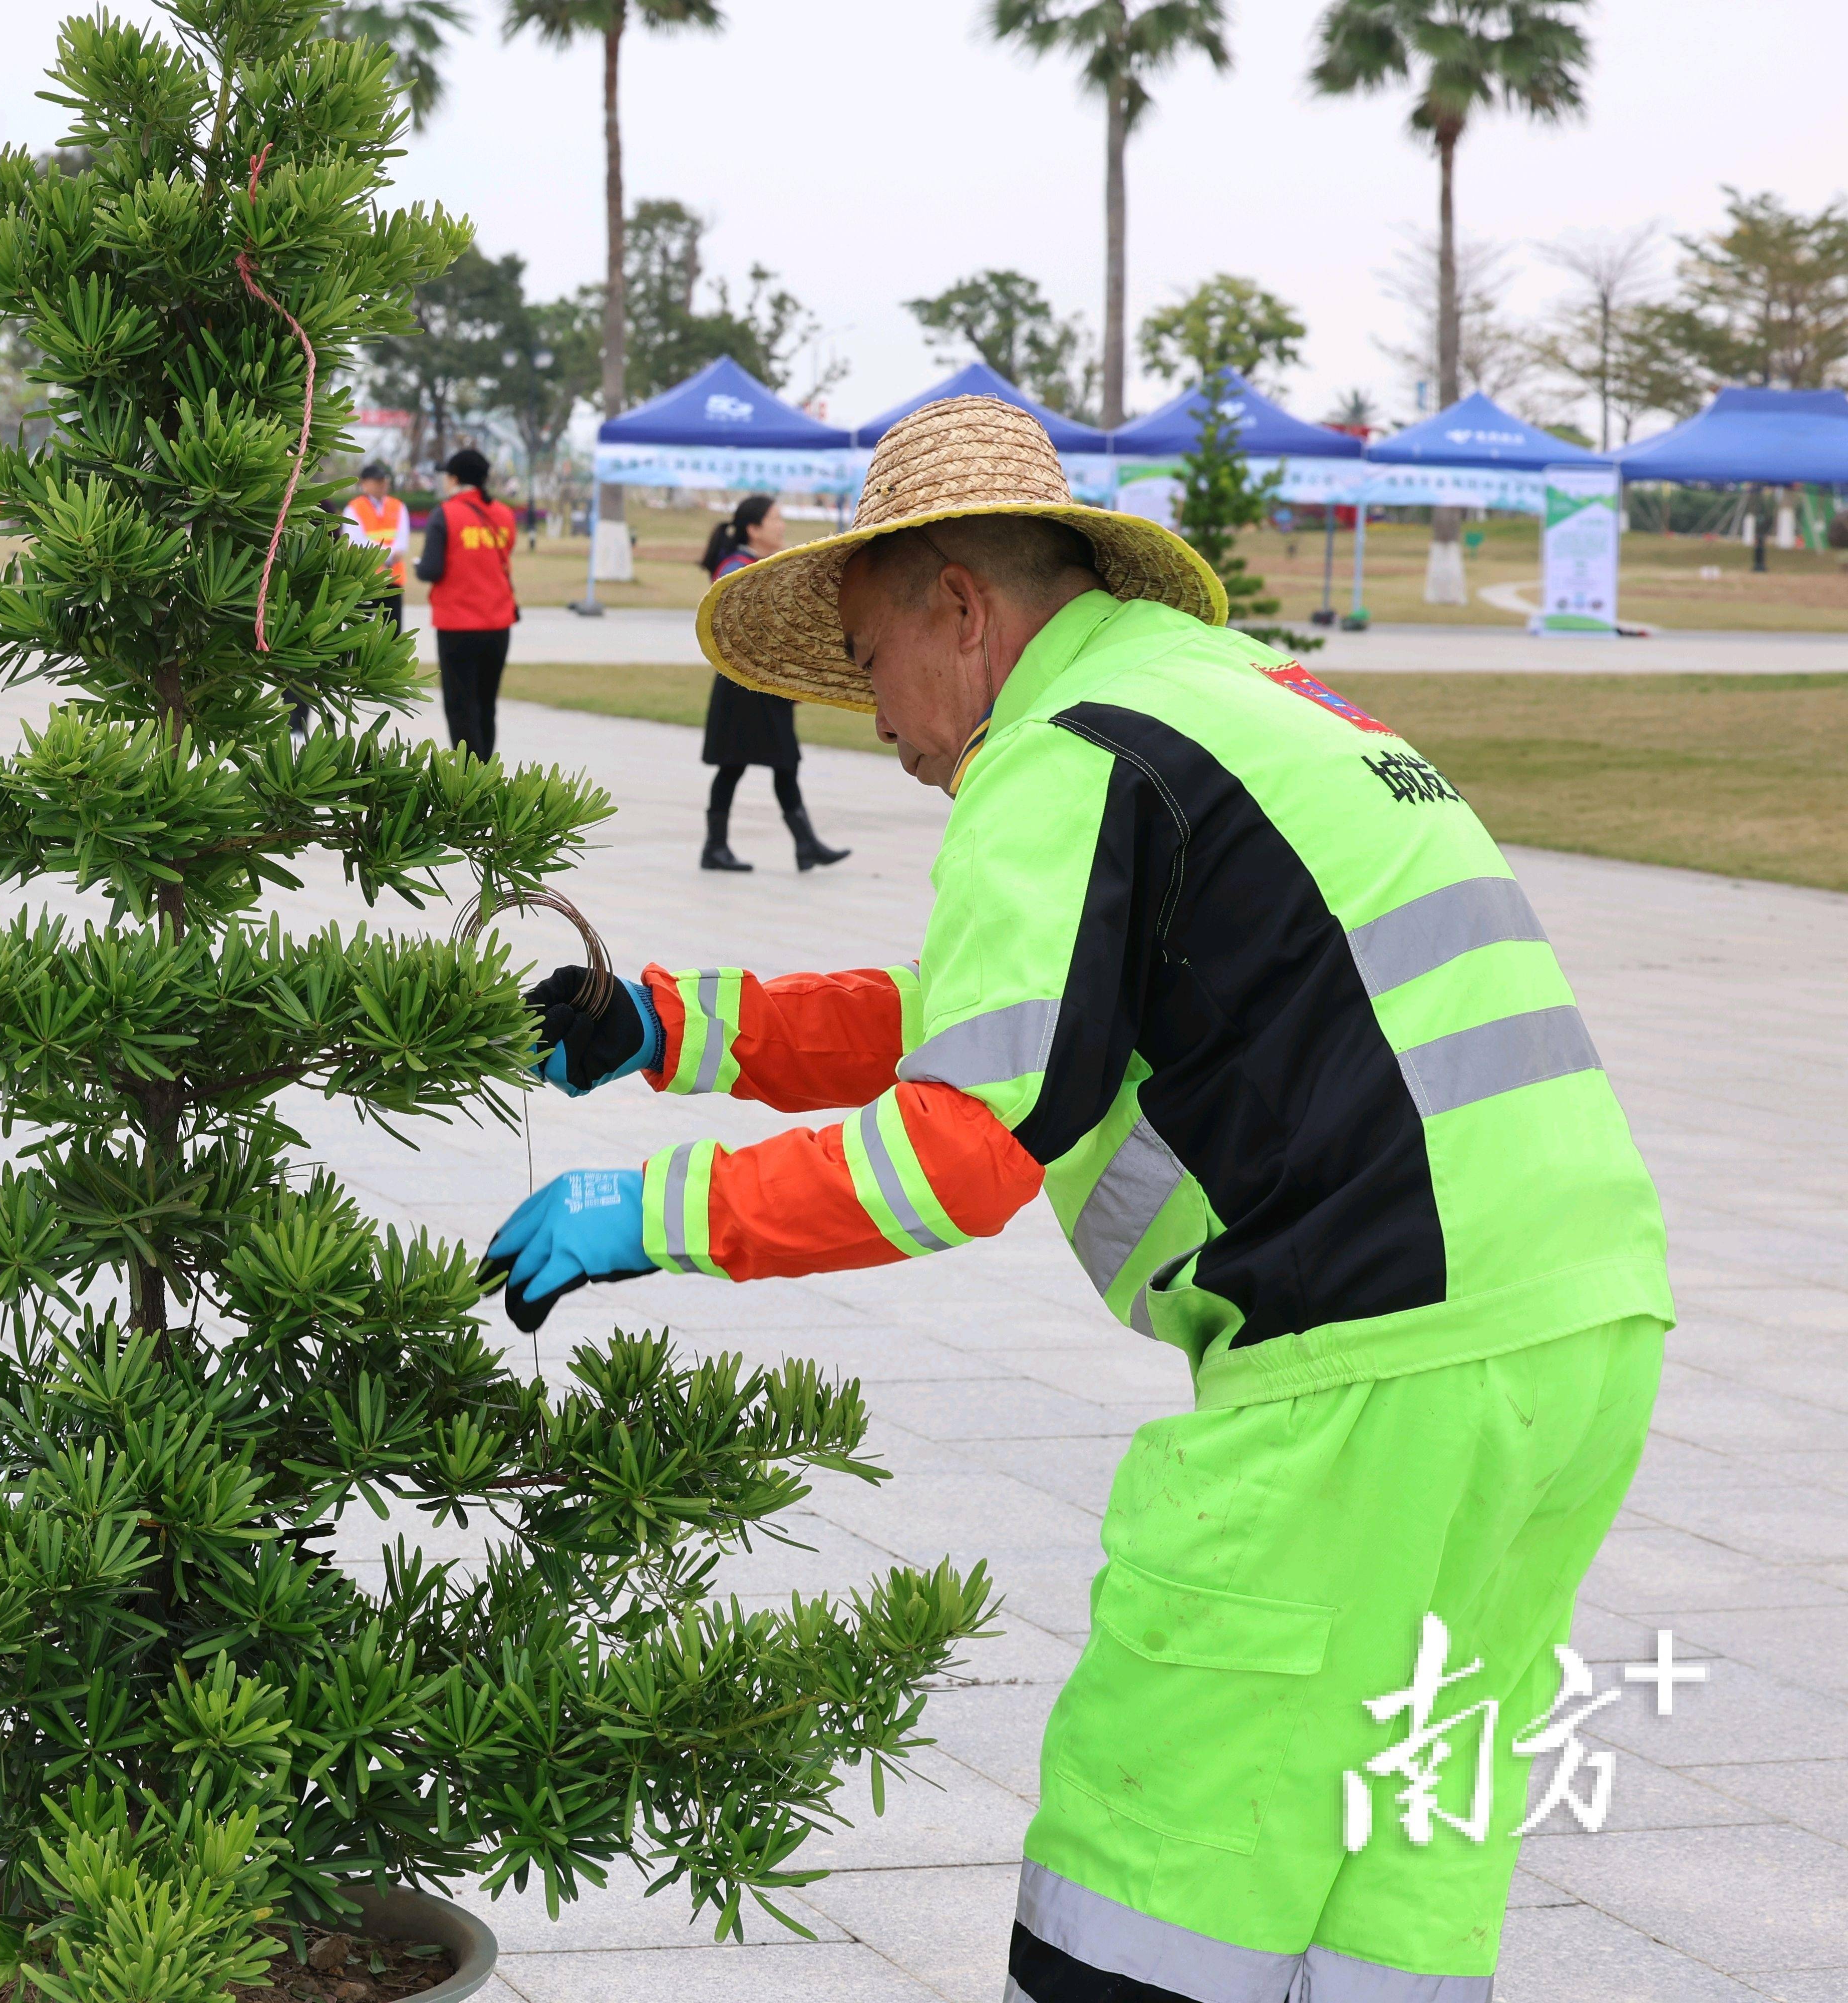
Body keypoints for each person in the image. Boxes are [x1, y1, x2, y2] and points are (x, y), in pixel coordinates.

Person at [488, 396, 1670, 2003]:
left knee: (1153, 1879)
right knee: (1390, 1842)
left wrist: (648, 1210)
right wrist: (676, 1028)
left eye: (864, 660)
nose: (874, 722)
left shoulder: (1066, 753)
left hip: (1357, 1377)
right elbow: (1013, 1017)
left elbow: (956, 1150)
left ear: (957, 609)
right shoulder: (1230, 694)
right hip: (1572, 1337)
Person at [696, 499, 847, 874]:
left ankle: (804, 845)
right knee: (738, 765)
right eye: (775, 519)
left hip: (763, 686)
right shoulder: (735, 570)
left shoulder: (755, 567)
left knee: (782, 764)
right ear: (754, 529)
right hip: (743, 687)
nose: (782, 526)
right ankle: (717, 848)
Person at [412, 447, 518, 759]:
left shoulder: (445, 514)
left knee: (461, 708)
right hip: (498, 624)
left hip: (458, 626)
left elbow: (432, 569)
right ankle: (485, 773)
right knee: (486, 705)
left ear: (455, 479)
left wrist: (419, 566)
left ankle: (469, 782)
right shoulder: (504, 515)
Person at [339, 462, 411, 632]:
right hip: (366, 580)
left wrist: (385, 555)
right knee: (357, 633)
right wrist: (389, 554)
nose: (382, 484)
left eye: (384, 480)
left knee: (392, 633)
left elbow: (402, 542)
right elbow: (357, 542)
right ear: (364, 484)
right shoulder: (354, 508)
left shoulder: (398, 506)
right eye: (377, 481)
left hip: (392, 580)